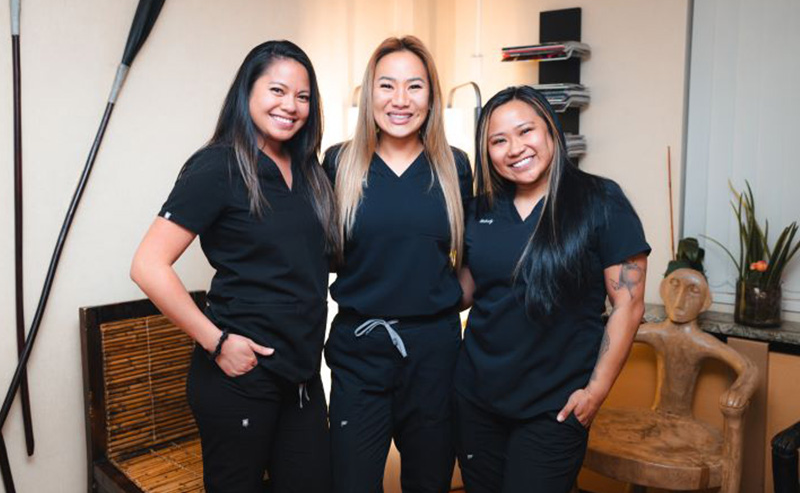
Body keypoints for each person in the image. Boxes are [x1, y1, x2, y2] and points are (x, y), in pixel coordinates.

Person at [130, 40, 337, 493]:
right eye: (277, 91)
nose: (291, 106)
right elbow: (148, 265)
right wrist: (217, 342)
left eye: (303, 97)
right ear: (247, 93)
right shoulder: (218, 165)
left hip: (301, 377)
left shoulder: (309, 172)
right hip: (240, 377)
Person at [454, 85, 650, 493]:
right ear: (486, 151)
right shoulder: (479, 210)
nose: (515, 148)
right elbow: (466, 293)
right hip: (475, 401)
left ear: (551, 132)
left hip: (554, 409)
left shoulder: (600, 200)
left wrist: (595, 392)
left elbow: (627, 306)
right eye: (499, 140)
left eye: (526, 131)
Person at [322, 35, 472, 493]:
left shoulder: (455, 167)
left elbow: (476, 256)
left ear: (432, 96)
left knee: (429, 484)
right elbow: (309, 252)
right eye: (387, 86)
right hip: (359, 351)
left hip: (435, 355)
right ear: (370, 95)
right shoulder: (339, 163)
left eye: (415, 86)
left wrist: (441, 300)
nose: (400, 100)